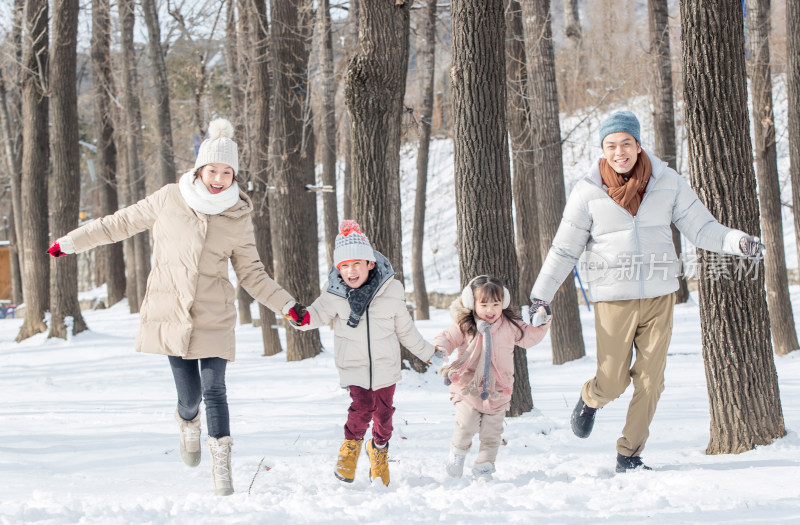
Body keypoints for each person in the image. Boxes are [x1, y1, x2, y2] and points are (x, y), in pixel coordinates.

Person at [47, 118, 307, 496]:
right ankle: (188, 422)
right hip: (171, 312)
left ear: (234, 175)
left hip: (215, 312)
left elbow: (252, 273)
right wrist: (70, 242)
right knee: (191, 398)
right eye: (213, 170)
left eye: (227, 171)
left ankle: (222, 467)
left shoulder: (238, 215)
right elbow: (118, 224)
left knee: (215, 387)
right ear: (200, 169)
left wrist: (288, 306)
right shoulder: (169, 198)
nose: (218, 178)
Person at [529, 110, 765, 473]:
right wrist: (540, 296)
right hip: (613, 299)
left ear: (638, 145)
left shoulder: (666, 181)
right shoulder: (587, 191)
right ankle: (591, 398)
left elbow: (702, 228)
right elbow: (564, 250)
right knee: (612, 381)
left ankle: (629, 453)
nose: (619, 151)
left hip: (659, 295)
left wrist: (738, 242)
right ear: (603, 150)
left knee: (652, 380)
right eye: (611, 145)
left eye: (626, 143)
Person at [287, 220, 435, 486]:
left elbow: (406, 331)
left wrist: (428, 353)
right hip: (353, 366)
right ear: (337, 269)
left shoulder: (391, 293)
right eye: (344, 266)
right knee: (361, 408)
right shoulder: (334, 294)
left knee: (384, 416)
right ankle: (351, 447)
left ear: (370, 264)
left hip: (386, 367)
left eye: (357, 264)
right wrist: (300, 317)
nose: (351, 271)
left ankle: (378, 450)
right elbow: (315, 314)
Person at [433, 275, 551, 481]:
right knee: (466, 424)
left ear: (503, 303)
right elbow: (447, 337)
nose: (490, 310)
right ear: (472, 303)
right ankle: (458, 454)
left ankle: (484, 467)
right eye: (484, 304)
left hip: (499, 388)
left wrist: (542, 319)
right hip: (468, 386)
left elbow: (529, 337)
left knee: (492, 432)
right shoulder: (466, 325)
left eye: (495, 304)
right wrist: (441, 348)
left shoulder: (510, 325)